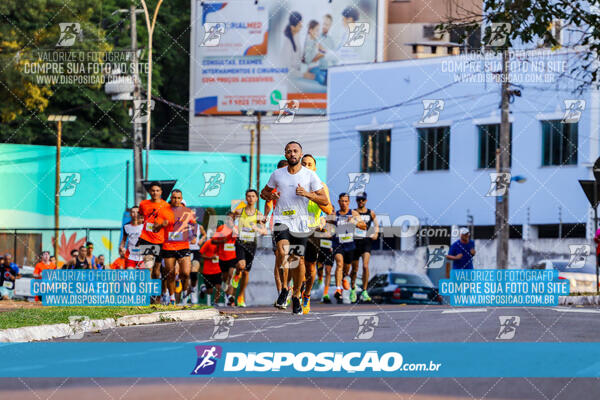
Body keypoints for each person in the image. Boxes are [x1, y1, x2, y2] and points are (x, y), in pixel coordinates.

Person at [260, 141, 329, 314]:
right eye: (289, 151)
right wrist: (271, 194)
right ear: (285, 154)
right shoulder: (277, 174)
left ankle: (297, 295)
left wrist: (307, 194)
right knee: (282, 252)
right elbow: (263, 193)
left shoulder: (310, 176)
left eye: (295, 151)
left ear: (300, 153)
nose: (292, 154)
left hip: (301, 223)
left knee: (299, 261)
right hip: (282, 220)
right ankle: (284, 289)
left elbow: (325, 201)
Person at [300, 154, 333, 314]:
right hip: (296, 228)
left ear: (314, 168)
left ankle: (306, 295)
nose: (306, 166)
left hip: (313, 230)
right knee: (296, 262)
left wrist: (311, 195)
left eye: (309, 164)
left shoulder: (321, 186)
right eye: (303, 163)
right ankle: (295, 294)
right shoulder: (294, 184)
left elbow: (329, 209)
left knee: (310, 267)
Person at [138, 182, 175, 303]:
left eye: (157, 190)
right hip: (146, 239)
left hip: (159, 241)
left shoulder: (166, 205)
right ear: (149, 192)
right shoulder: (143, 204)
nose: (155, 193)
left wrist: (161, 224)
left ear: (161, 192)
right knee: (148, 267)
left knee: (156, 271)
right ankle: (148, 294)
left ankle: (155, 295)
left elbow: (169, 221)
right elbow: (140, 216)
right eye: (153, 190)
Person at [233, 189, 267, 308]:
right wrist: (233, 227)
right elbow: (230, 219)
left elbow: (264, 231)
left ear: (257, 199)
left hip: (252, 243)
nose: (251, 198)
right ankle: (237, 273)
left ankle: (241, 296)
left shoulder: (259, 215)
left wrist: (257, 228)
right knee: (241, 266)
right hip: (241, 242)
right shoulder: (239, 211)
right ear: (246, 198)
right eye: (248, 196)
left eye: (253, 196)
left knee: (246, 272)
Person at [163, 189, 196, 305]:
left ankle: (184, 293)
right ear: (170, 199)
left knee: (186, 273)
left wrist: (194, 236)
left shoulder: (187, 211)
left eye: (178, 198)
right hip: (168, 246)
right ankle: (172, 298)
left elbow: (193, 224)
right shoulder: (164, 210)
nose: (176, 200)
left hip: (183, 246)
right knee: (170, 274)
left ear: (181, 199)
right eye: (174, 198)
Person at [332, 193, 367, 304]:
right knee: (339, 264)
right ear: (338, 202)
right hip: (338, 243)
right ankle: (338, 289)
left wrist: (354, 222)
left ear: (349, 202)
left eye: (346, 201)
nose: (344, 203)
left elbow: (364, 226)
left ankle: (343, 279)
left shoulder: (353, 213)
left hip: (350, 244)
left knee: (347, 268)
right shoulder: (334, 214)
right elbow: (326, 225)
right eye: (342, 201)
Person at [265, 159, 288, 302]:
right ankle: (282, 292)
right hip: (278, 223)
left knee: (294, 258)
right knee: (280, 257)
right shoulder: (274, 187)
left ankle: (292, 288)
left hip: (296, 224)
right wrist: (265, 217)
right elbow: (267, 202)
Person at [351, 192, 378, 303]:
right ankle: (353, 288)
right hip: (355, 241)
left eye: (362, 199)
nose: (360, 201)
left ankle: (365, 290)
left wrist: (376, 233)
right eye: (359, 200)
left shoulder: (370, 213)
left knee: (365, 266)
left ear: (366, 200)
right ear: (356, 201)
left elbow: (376, 224)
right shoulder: (354, 212)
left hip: (366, 241)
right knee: (355, 269)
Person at [281, 11, 315, 83]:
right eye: (299, 25)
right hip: (290, 78)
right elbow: (288, 69)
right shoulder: (287, 43)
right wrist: (303, 75)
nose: (302, 26)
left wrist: (307, 68)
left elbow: (299, 59)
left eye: (301, 23)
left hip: (298, 72)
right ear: (292, 27)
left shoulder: (296, 36)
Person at [213, 212, 238, 306]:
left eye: (231, 219)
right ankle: (227, 297)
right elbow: (213, 241)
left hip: (233, 256)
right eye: (227, 219)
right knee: (225, 278)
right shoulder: (221, 228)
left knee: (231, 276)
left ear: (234, 220)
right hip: (222, 257)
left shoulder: (236, 229)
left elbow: (240, 241)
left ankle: (229, 297)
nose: (229, 220)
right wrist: (221, 241)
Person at [199, 237, 222, 305]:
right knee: (210, 291)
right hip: (208, 271)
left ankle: (215, 303)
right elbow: (200, 254)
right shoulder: (208, 242)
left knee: (218, 287)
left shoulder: (221, 244)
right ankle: (203, 289)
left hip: (218, 270)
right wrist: (210, 258)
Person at [189, 217, 207, 298]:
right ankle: (185, 293)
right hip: (185, 251)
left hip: (196, 251)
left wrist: (201, 240)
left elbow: (204, 234)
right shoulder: (183, 226)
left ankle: (193, 289)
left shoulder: (199, 226)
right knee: (185, 274)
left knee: (194, 272)